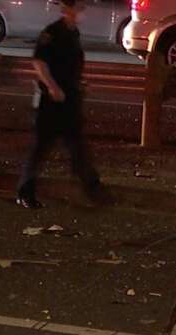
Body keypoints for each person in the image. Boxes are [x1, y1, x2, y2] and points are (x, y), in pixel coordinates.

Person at [16, 0, 109, 209]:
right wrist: (52, 87)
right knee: (41, 148)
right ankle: (25, 191)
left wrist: (78, 83)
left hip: (70, 99)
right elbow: (39, 62)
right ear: (67, 10)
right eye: (78, 8)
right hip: (51, 102)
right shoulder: (52, 33)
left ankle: (93, 188)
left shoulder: (73, 33)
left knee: (77, 145)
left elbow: (71, 64)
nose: (81, 12)